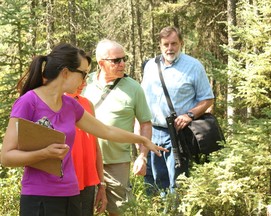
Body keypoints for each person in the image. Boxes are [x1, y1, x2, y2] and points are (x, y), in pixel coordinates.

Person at [0, 43, 167, 216]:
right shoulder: (28, 102)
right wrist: (44, 153)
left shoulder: (71, 105)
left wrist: (142, 140)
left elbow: (106, 131)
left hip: (72, 194)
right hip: (40, 196)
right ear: (65, 72)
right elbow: (6, 157)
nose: (85, 80)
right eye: (83, 73)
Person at [141, 26, 214, 195]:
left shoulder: (194, 66)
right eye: (165, 44)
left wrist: (190, 115)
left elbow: (207, 98)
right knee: (152, 183)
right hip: (151, 132)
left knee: (177, 183)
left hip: (178, 134)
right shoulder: (150, 66)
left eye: (174, 43)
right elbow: (143, 98)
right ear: (160, 45)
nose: (170, 48)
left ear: (181, 43)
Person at [82, 39, 152, 216]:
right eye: (116, 60)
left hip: (116, 163)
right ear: (101, 63)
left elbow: (145, 123)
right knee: (82, 208)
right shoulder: (84, 83)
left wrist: (142, 156)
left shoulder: (134, 88)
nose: (122, 64)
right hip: (85, 159)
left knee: (118, 210)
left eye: (124, 58)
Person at [65, 72, 105, 216]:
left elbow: (95, 147)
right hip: (64, 181)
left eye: (85, 80)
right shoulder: (56, 102)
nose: (84, 84)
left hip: (88, 181)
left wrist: (102, 184)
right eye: (80, 80)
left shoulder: (87, 104)